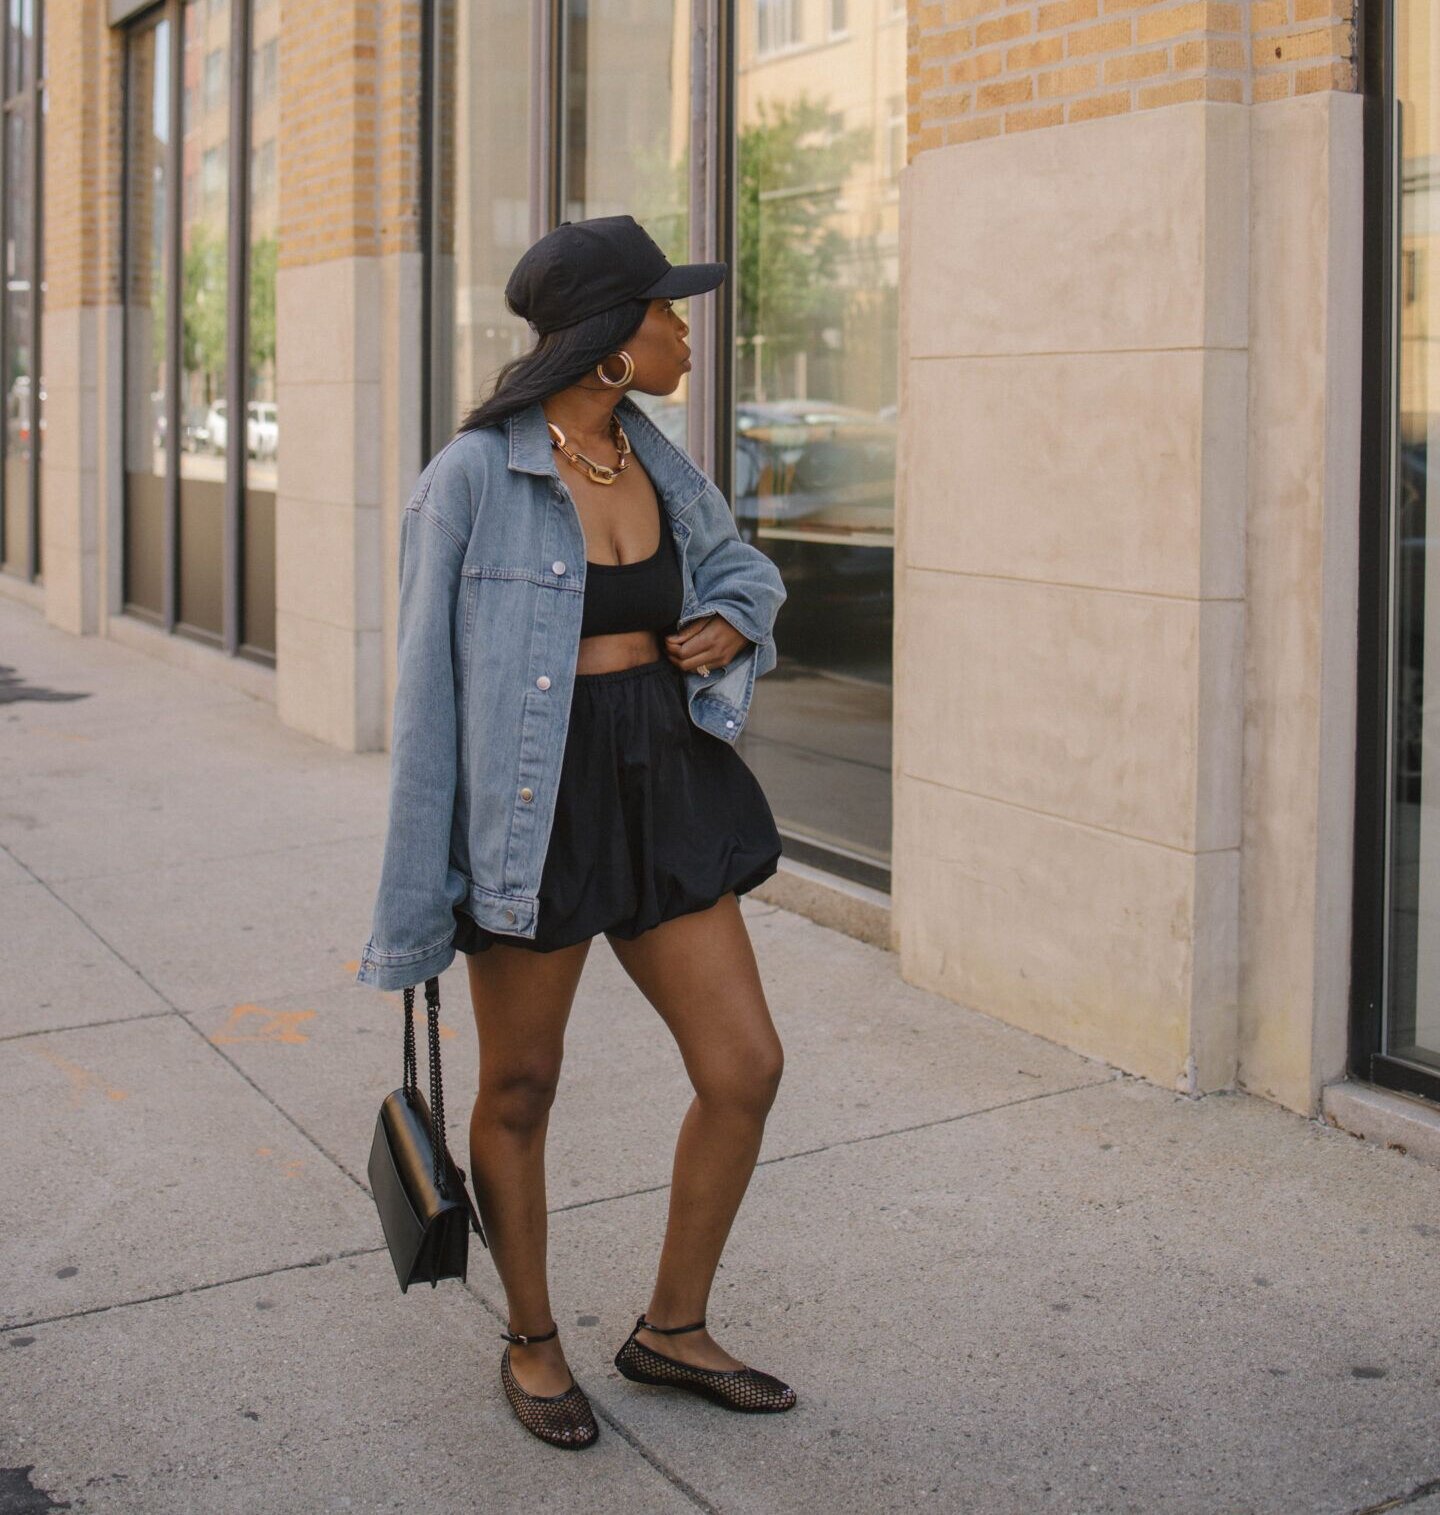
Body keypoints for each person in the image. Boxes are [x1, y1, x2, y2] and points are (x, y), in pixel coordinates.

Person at [355, 215, 797, 1449]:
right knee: (521, 1085)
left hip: (664, 776)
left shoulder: (660, 462)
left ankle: (671, 1327)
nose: (686, 330)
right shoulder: (469, 481)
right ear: (610, 343)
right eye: (668, 311)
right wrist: (417, 906)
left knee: (744, 1067)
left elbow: (744, 572)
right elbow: (424, 706)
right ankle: (532, 1337)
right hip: (530, 810)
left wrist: (727, 623)